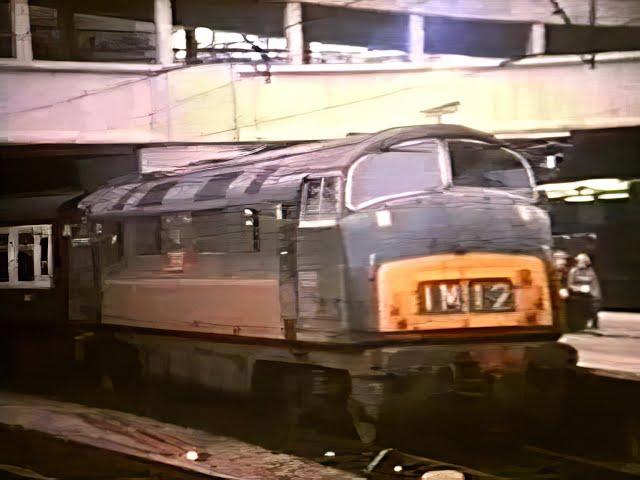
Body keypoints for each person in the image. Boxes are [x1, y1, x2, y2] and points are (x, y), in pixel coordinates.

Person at [567, 253, 601, 329]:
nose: (580, 263)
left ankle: (592, 320)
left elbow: (595, 285)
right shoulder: (573, 271)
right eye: (579, 261)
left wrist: (595, 296)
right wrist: (579, 288)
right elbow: (569, 285)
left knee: (593, 304)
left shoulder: (591, 272)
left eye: (582, 261)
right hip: (576, 294)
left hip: (588, 294)